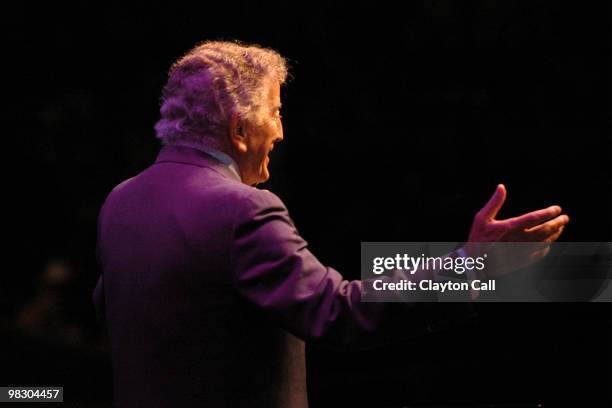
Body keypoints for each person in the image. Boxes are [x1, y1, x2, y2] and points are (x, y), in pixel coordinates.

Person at [93, 40, 569, 408]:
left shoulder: (121, 201)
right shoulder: (243, 210)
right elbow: (340, 313)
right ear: (240, 130)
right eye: (276, 113)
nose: (280, 130)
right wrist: (470, 265)